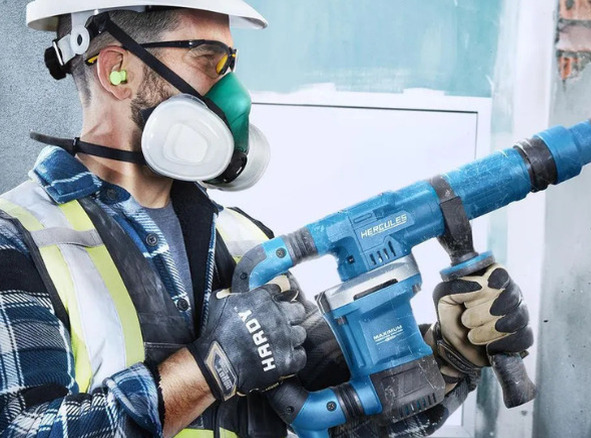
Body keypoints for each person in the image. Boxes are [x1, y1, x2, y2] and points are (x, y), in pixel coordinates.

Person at [0, 2, 534, 437]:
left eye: (231, 64)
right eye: (209, 62)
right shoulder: (20, 237)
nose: (233, 95)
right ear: (118, 68)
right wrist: (208, 370)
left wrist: (448, 356)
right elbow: (23, 429)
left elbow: (337, 422)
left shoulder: (242, 238)